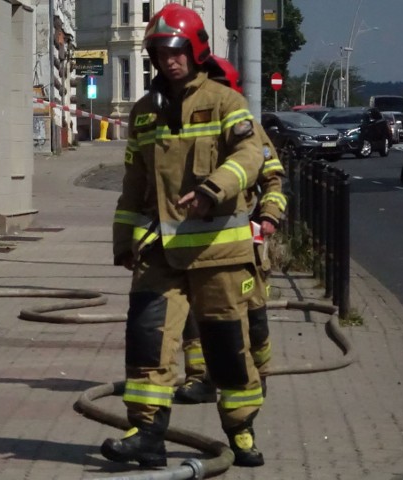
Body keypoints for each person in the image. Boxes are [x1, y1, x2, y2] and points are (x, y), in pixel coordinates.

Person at [102, 4, 267, 468]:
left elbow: (251, 153)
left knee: (225, 348)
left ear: (194, 50)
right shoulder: (145, 114)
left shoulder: (225, 102)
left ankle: (240, 431)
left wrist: (215, 190)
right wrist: (122, 240)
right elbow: (134, 184)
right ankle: (146, 434)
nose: (168, 59)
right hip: (159, 254)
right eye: (159, 52)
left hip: (218, 255)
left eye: (175, 50)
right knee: (147, 341)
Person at [175, 56, 286, 404]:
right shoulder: (188, 123)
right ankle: (202, 378)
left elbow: (273, 179)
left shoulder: (247, 126)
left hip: (242, 243)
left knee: (252, 315)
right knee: (194, 318)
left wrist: (268, 216)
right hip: (194, 243)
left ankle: (258, 375)